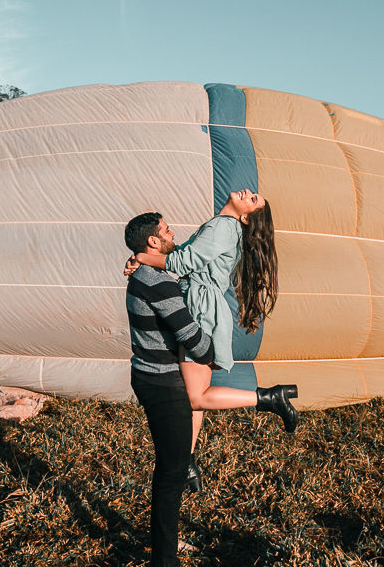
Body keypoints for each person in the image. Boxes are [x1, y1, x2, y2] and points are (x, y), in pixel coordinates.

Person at [125, 189, 299, 492]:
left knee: (195, 397)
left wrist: (141, 257)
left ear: (246, 218)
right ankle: (187, 461)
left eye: (253, 200)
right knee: (195, 394)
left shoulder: (223, 226)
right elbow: (184, 256)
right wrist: (145, 260)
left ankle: (269, 398)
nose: (249, 193)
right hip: (206, 304)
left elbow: (183, 262)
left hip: (201, 308)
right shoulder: (222, 225)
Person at [124, 211, 215, 567]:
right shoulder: (157, 283)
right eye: (166, 230)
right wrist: (213, 350)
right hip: (162, 384)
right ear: (153, 242)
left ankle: (167, 540)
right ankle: (165, 566)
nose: (172, 232)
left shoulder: (147, 274)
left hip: (151, 376)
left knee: (171, 469)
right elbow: (192, 337)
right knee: (172, 471)